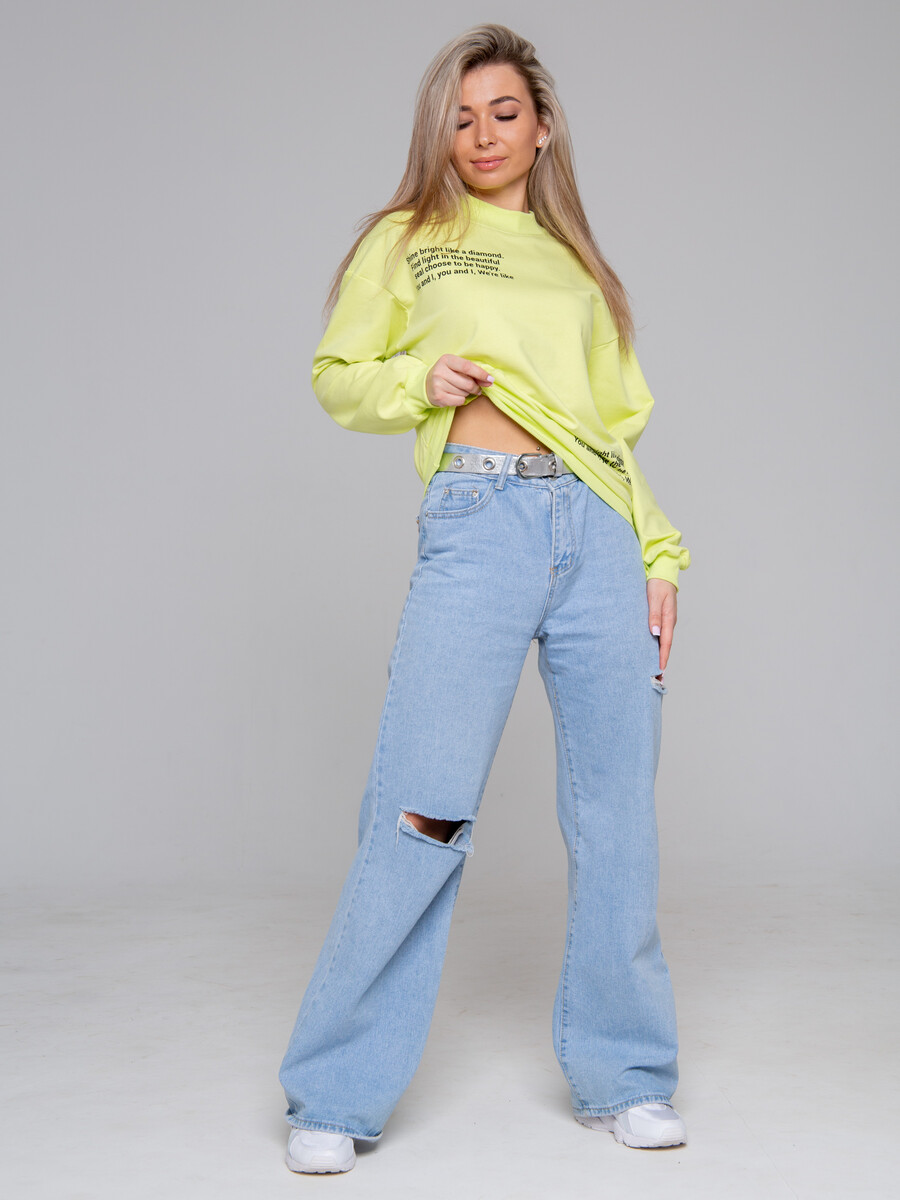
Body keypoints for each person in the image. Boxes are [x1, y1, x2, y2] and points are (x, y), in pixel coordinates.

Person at [278, 23, 692, 1174]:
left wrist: (661, 555)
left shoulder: (576, 263)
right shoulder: (409, 240)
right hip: (480, 518)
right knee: (421, 810)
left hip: (600, 534)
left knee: (618, 816)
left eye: (504, 113)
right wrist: (421, 378)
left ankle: (629, 1077)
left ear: (543, 126)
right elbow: (337, 377)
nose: (483, 134)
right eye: (461, 118)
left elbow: (613, 431)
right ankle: (335, 1092)